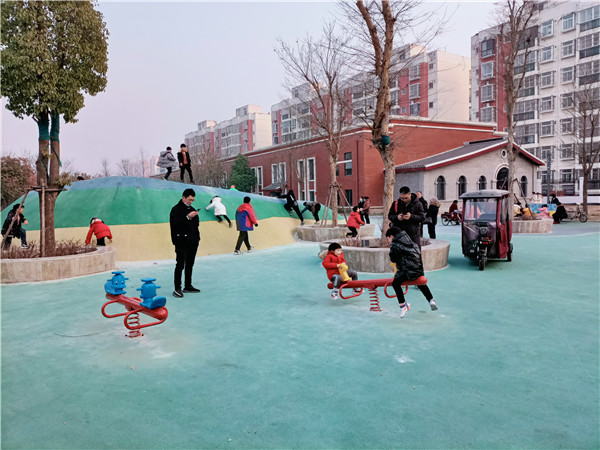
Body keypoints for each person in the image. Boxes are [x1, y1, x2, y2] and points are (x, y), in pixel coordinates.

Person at [386, 227, 437, 318]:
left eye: (388, 238)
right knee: (420, 283)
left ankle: (403, 305)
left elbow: (393, 259)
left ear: (391, 236)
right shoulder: (412, 242)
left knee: (395, 283)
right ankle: (431, 300)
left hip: (407, 271)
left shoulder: (394, 244)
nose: (388, 240)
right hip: (418, 270)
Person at [170, 188, 201, 297]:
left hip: (193, 241)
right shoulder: (176, 209)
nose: (191, 202)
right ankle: (177, 288)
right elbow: (175, 224)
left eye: (193, 200)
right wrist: (188, 217)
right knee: (180, 264)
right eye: (189, 199)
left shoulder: (192, 209)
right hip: (181, 241)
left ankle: (188, 285)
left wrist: (194, 217)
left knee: (190, 263)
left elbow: (196, 224)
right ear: (184, 197)